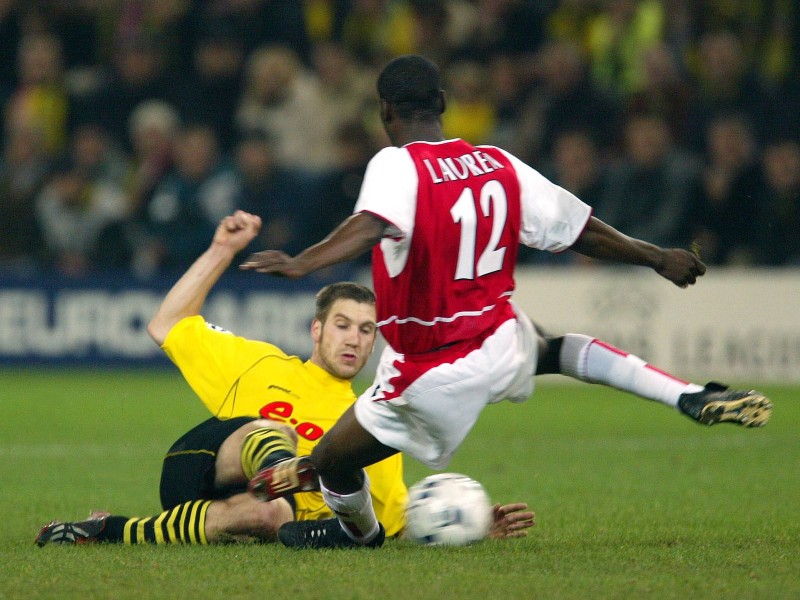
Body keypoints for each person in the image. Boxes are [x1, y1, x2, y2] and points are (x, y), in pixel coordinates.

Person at [240, 55, 773, 550]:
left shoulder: (397, 164)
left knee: (335, 461)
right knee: (562, 350)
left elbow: (374, 222)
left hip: (428, 372)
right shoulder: (496, 162)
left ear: (383, 110)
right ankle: (687, 394)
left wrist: (305, 261)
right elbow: (577, 229)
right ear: (443, 103)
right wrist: (655, 256)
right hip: (499, 340)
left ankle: (357, 534)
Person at [35, 210, 534, 546]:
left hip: (245, 506)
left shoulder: (372, 422)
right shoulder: (260, 364)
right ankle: (288, 467)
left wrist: (468, 527)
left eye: (366, 331)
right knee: (273, 433)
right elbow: (166, 324)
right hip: (199, 466)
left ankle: (105, 530)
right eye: (342, 326)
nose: (354, 340)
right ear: (317, 330)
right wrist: (220, 250)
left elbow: (392, 523)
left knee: (274, 517)